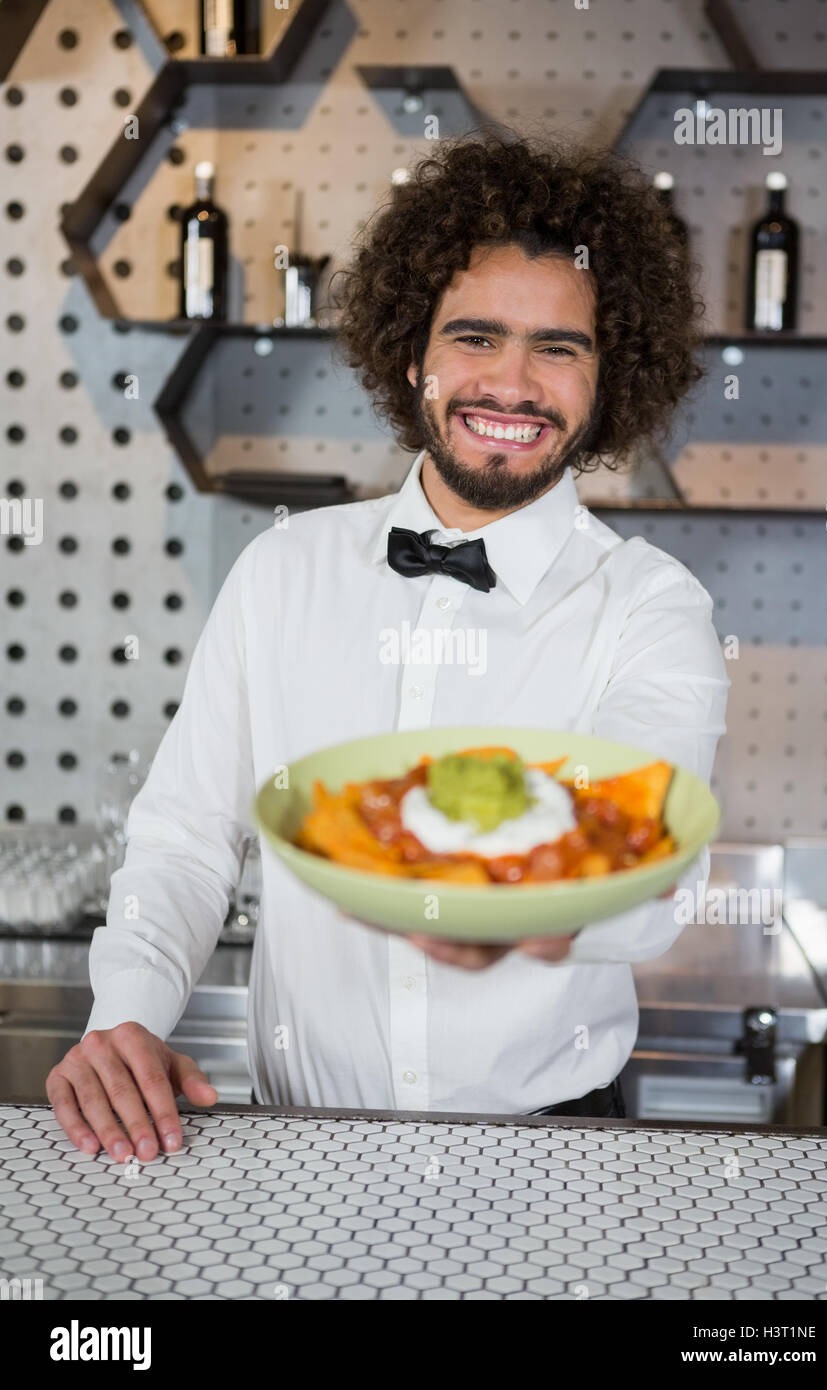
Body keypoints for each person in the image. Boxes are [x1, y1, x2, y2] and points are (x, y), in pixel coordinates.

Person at [47, 131, 729, 1162]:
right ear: (412, 352)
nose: (511, 383)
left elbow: (647, 853)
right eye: (474, 336)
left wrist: (536, 908)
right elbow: (186, 834)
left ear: (606, 379)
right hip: (296, 1153)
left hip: (556, 1160)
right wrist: (125, 1011)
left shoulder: (650, 606)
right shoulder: (281, 572)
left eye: (558, 347)